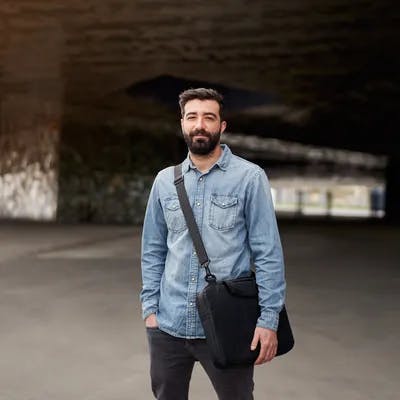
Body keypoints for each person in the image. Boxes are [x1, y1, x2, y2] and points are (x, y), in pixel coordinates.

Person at [140, 88, 286, 400]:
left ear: (222, 126)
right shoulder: (165, 181)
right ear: (182, 124)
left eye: (209, 117)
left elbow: (268, 253)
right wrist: (150, 309)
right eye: (192, 117)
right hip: (168, 324)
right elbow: (153, 249)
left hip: (227, 324)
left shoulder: (249, 177)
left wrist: (268, 318)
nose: (200, 125)